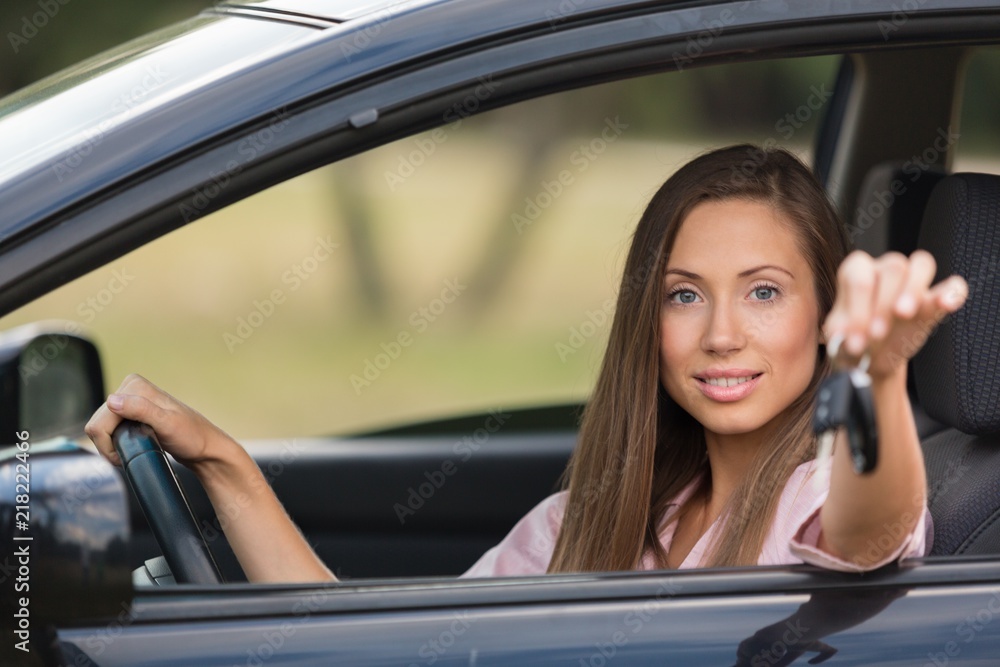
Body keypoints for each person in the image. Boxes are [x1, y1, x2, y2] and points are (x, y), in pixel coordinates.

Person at [85, 144, 968, 581]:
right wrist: (220, 461)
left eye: (766, 292)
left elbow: (875, 527)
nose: (722, 334)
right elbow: (375, 647)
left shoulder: (822, 500)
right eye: (684, 294)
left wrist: (875, 376)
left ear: (824, 317)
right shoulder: (594, 519)